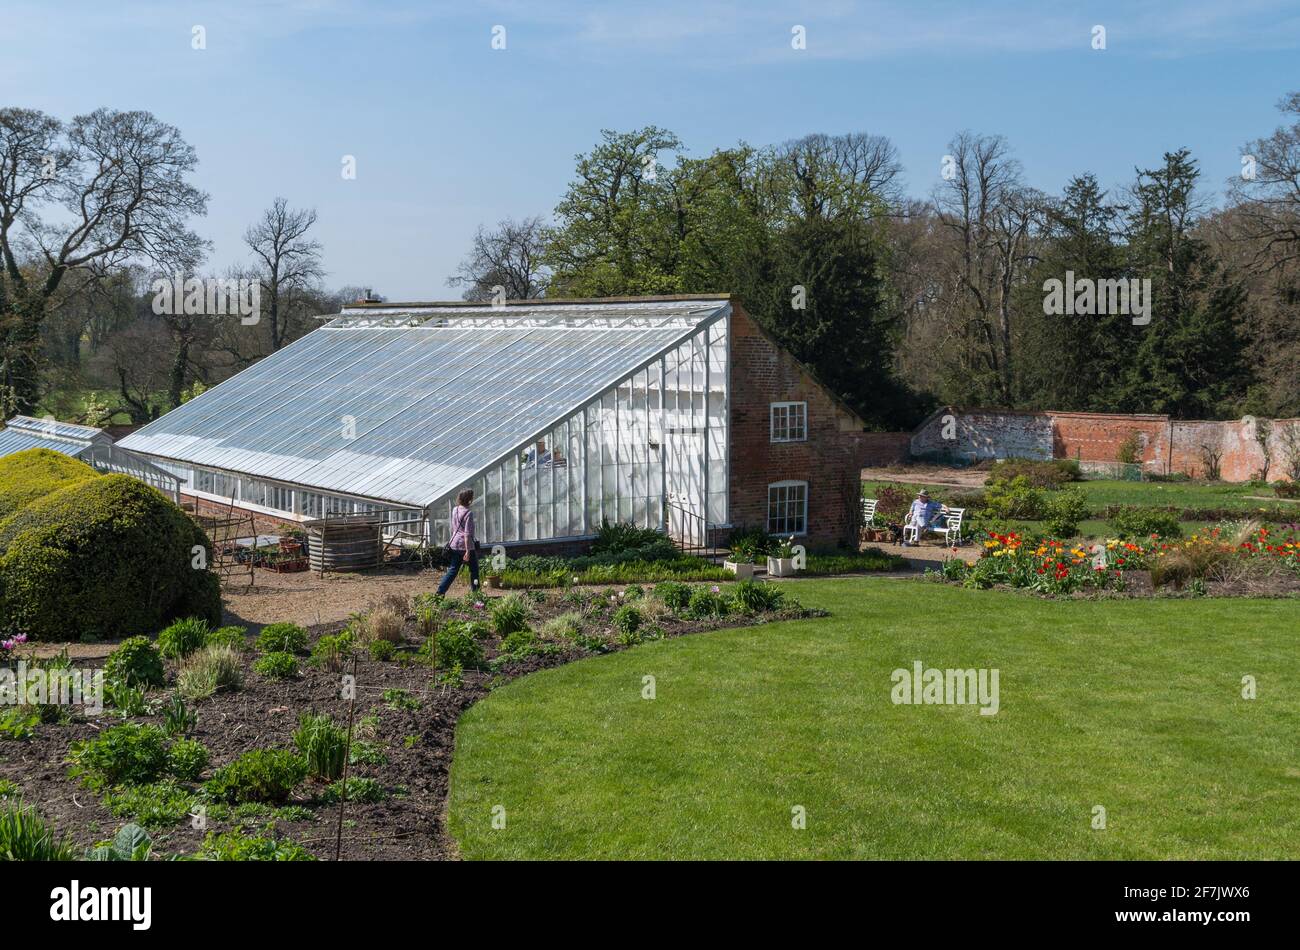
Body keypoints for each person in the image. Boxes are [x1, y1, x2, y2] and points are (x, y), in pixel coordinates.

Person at [436, 488, 479, 595]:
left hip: (454, 544)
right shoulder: (468, 513)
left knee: (452, 570)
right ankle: (476, 593)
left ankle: (440, 592)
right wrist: (468, 551)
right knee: (474, 570)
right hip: (465, 546)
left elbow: (454, 527)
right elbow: (467, 534)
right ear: (469, 499)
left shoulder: (455, 509)